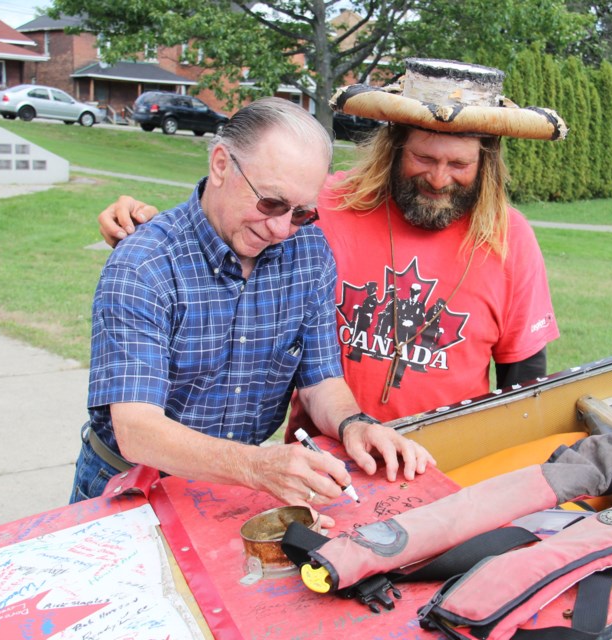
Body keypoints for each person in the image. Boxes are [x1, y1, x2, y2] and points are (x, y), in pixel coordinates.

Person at [97, 59, 565, 432]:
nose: (439, 179)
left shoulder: (510, 237)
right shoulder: (321, 204)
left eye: (459, 164)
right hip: (323, 457)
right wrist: (143, 223)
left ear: (485, 164)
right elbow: (237, 204)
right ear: (394, 146)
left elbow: (523, 380)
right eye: (424, 157)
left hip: (448, 455)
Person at [73, 97, 433, 527]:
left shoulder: (309, 251)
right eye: (271, 204)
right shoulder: (145, 264)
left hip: (235, 485)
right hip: (131, 486)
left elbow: (320, 379)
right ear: (222, 165)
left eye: (301, 212)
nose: (282, 229)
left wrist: (354, 424)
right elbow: (138, 430)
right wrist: (256, 467)